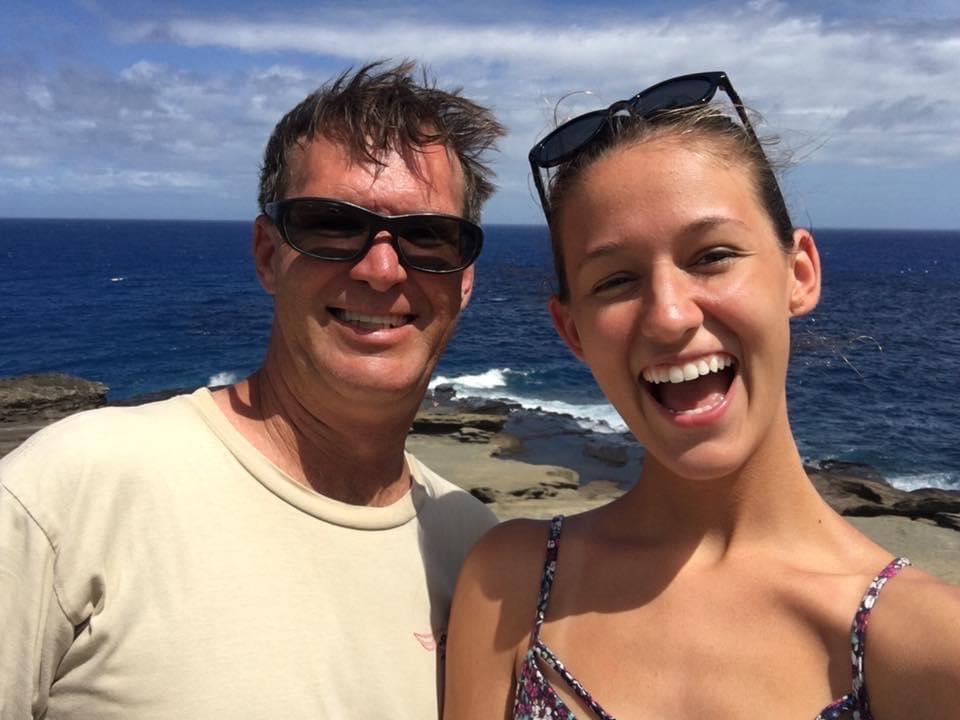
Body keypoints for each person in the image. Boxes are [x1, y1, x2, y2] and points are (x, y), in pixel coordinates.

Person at [444, 72, 960, 719]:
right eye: (616, 280)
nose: (668, 316)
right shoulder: (511, 588)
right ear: (571, 330)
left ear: (799, 274)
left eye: (712, 255)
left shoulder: (928, 645)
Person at [0, 60, 503, 718]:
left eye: (430, 237)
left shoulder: (481, 557)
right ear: (268, 255)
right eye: (331, 224)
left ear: (463, 281)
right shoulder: (72, 489)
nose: (382, 270)